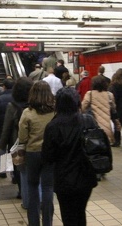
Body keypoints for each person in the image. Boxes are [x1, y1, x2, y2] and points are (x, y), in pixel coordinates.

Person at [42, 87, 98, 225]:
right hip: (86, 177)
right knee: (80, 213)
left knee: (68, 216)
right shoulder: (88, 120)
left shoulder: (53, 126)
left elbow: (47, 157)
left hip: (64, 179)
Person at [18, 80, 56, 226]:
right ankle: (48, 222)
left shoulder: (27, 113)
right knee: (48, 188)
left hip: (32, 153)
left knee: (32, 187)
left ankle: (34, 222)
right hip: (50, 153)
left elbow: (22, 138)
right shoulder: (54, 112)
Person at [0, 77, 34, 208]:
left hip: (16, 144)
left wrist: (2, 144)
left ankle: (23, 195)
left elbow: (7, 127)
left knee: (20, 172)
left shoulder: (12, 106)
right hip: (33, 143)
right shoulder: (34, 105)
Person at [82, 75, 117, 145]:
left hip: (93, 127)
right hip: (108, 127)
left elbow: (83, 107)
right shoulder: (110, 95)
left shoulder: (90, 94)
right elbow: (114, 109)